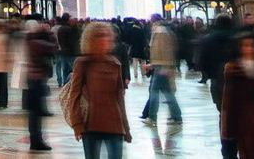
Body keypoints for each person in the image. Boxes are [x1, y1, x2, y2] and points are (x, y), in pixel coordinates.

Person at [67, 21, 132, 159]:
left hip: (114, 123)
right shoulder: (82, 63)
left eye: (107, 36)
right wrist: (77, 124)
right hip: (91, 125)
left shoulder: (115, 63)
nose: (106, 39)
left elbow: (120, 98)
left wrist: (125, 127)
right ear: (91, 40)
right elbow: (74, 95)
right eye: (100, 36)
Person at [198, 14, 238, 159]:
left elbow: (202, 62)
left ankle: (228, 151)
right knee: (240, 113)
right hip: (238, 81)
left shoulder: (208, 39)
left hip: (218, 81)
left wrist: (212, 74)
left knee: (224, 114)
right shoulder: (239, 37)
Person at [23, 19, 56, 152]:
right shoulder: (34, 42)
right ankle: (37, 141)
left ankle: (36, 140)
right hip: (36, 80)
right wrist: (49, 33)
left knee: (34, 113)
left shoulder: (29, 40)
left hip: (33, 79)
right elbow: (53, 47)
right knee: (36, 113)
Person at [143, 16, 181, 126]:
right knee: (167, 92)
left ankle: (152, 117)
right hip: (162, 65)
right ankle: (176, 116)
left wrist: (156, 64)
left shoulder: (159, 32)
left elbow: (162, 51)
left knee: (154, 92)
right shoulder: (163, 31)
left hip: (161, 66)